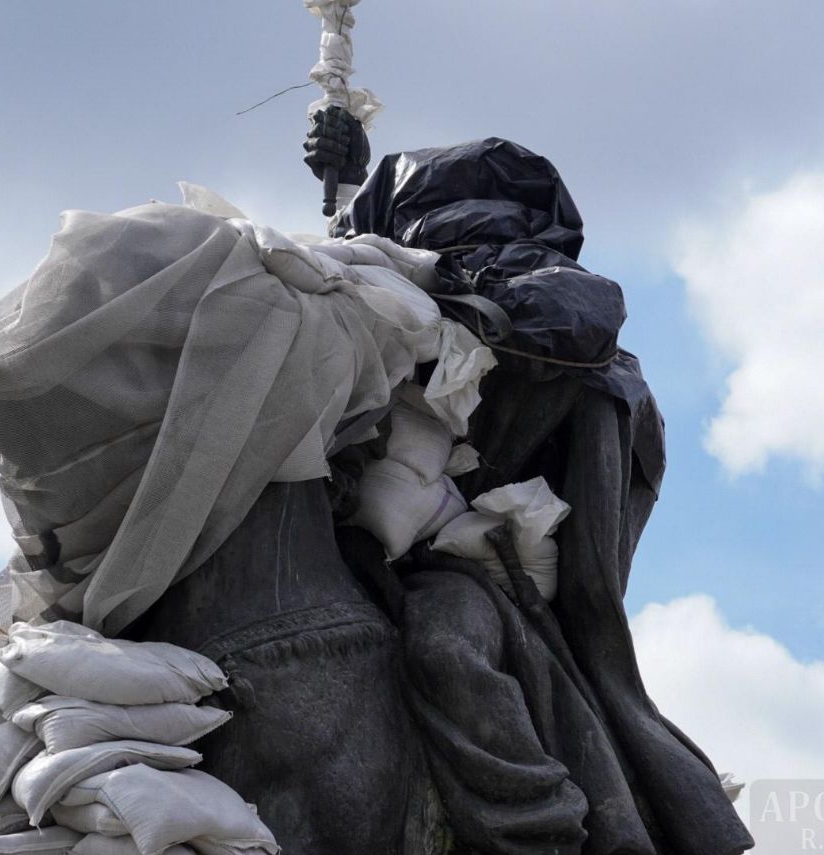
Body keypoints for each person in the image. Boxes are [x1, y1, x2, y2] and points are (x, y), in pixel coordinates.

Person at [305, 108, 756, 855]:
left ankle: (537, 829)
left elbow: (559, 335)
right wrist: (348, 196)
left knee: (444, 649)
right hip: (343, 543)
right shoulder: (405, 314)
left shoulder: (573, 340)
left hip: (479, 578)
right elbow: (317, 310)